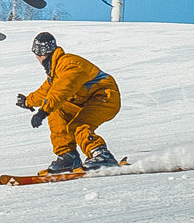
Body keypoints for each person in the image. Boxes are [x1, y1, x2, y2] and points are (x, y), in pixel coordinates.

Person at [16, 32, 121, 174]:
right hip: (86, 100)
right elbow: (46, 91)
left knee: (78, 125)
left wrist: (42, 112)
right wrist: (28, 101)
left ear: (41, 55)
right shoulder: (56, 70)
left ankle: (101, 154)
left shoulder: (69, 64)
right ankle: (68, 156)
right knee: (56, 112)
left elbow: (62, 90)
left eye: (36, 55)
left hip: (104, 96)